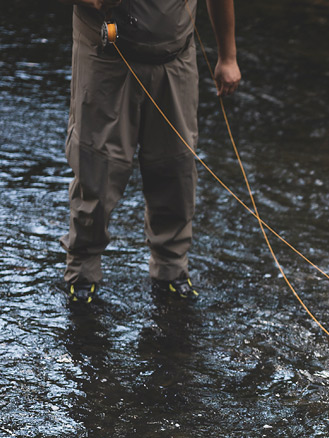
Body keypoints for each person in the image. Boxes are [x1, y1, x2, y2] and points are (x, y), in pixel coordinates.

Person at [59, 0, 241, 305]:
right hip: (105, 55)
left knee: (177, 167)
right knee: (97, 165)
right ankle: (82, 270)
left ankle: (171, 270)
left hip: (176, 58)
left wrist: (228, 55)